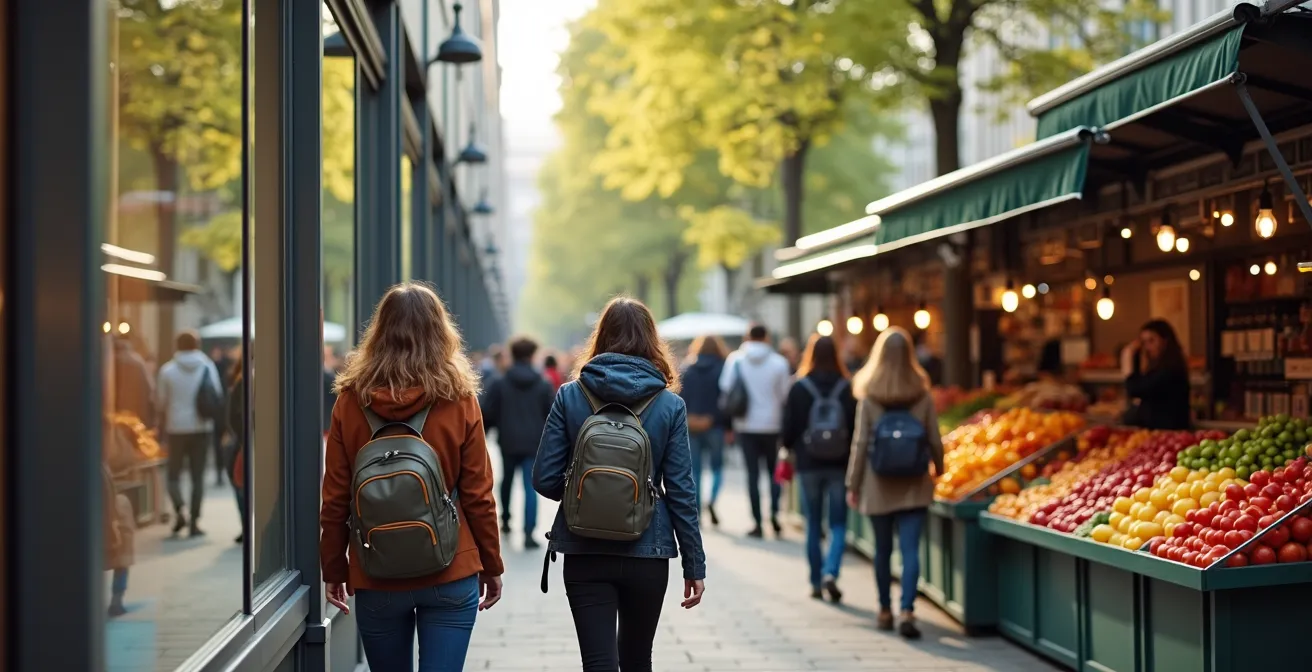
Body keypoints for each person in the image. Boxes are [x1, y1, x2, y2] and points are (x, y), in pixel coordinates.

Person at [320, 282, 504, 672]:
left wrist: (335, 568)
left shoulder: (351, 400)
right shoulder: (459, 398)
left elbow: (336, 496)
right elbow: (477, 495)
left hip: (376, 571)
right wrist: (491, 564)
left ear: (378, 332)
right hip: (450, 566)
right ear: (441, 332)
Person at [533, 296, 706, 672]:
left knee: (598, 663)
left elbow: (544, 478)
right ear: (651, 340)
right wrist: (694, 563)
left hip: (584, 550)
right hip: (648, 549)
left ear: (601, 337)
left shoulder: (570, 394)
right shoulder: (669, 404)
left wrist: (589, 493)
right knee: (637, 659)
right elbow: (681, 492)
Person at [845, 327, 944, 639]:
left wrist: (853, 483)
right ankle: (908, 610)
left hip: (878, 483)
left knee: (883, 550)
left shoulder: (870, 395)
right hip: (915, 483)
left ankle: (885, 609)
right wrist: (939, 470)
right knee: (911, 550)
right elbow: (934, 439)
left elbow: (860, 444)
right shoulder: (923, 394)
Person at [781, 334, 856, 602]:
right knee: (838, 523)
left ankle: (814, 581)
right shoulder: (847, 387)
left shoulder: (800, 387)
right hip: (839, 463)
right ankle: (831, 572)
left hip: (808, 463)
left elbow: (789, 428)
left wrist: (788, 449)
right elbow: (854, 426)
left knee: (813, 522)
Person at [480, 336, 554, 549]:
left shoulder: (499, 382)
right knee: (530, 487)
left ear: (512, 355)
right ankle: (529, 533)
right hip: (533, 443)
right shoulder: (542, 384)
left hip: (508, 441)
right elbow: (551, 414)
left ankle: (505, 520)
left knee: (507, 480)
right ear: (532, 356)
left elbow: (488, 411)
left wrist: (485, 434)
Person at [719, 324, 792, 538]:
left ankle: (757, 522)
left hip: (745, 425)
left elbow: (725, 388)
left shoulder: (736, 360)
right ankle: (775, 515)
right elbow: (785, 395)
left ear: (747, 337)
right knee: (773, 473)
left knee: (752, 474)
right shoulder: (779, 363)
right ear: (767, 337)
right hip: (772, 424)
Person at [156, 330, 223, 538]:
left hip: (175, 428)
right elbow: (217, 394)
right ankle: (194, 521)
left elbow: (160, 401)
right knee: (197, 477)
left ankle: (179, 510)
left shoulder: (167, 370)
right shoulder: (207, 366)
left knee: (173, 474)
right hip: (201, 428)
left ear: (177, 345)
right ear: (197, 344)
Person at [678, 334, 729, 526]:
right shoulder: (723, 368)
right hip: (715, 424)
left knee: (695, 470)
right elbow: (726, 398)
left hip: (691, 425)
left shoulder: (686, 368)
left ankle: (697, 510)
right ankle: (712, 501)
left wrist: (690, 417)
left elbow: (679, 396)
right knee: (717, 467)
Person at [1123, 319, 1191, 430]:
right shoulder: (1158, 368)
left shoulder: (1171, 370)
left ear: (1165, 341)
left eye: (1151, 341)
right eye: (1144, 343)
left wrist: (1127, 360)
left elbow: (1135, 389)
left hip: (1169, 436)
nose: (1147, 348)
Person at [226, 354, 248, 545]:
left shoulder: (242, 380)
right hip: (248, 442)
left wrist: (243, 440)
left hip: (243, 443)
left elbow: (232, 415)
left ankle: (246, 525)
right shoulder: (278, 378)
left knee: (240, 485)